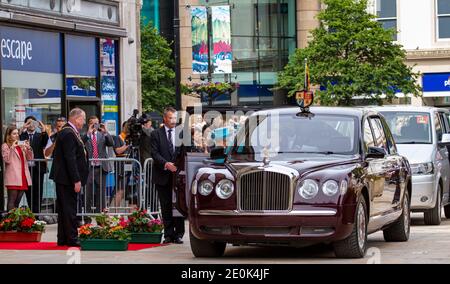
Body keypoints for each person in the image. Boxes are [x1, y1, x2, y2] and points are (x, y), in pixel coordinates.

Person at [51, 108, 89, 247]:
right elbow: (70, 158)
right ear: (76, 118)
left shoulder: (70, 131)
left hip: (65, 178)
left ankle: (63, 238)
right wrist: (76, 179)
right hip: (67, 179)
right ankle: (72, 238)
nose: (83, 122)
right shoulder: (68, 133)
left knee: (64, 209)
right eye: (83, 119)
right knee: (69, 209)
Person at [151, 107, 184, 244]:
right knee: (165, 206)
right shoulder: (156, 134)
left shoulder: (181, 133)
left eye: (175, 118)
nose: (173, 121)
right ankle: (169, 234)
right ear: (165, 118)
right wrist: (166, 164)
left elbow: (186, 151)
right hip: (162, 175)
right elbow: (154, 153)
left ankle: (179, 233)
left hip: (178, 176)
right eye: (171, 118)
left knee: (179, 205)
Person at [82, 116, 114, 213]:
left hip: (101, 167)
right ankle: (87, 215)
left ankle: (100, 214)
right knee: (87, 192)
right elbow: (80, 143)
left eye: (97, 123)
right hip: (89, 168)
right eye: (92, 123)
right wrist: (88, 132)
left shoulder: (102, 135)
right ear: (89, 124)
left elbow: (111, 143)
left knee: (101, 192)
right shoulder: (85, 135)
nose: (95, 125)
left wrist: (106, 132)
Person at [19, 116, 49, 213]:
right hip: (26, 168)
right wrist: (24, 127)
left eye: (33, 123)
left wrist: (43, 129)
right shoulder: (22, 135)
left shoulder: (40, 135)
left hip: (38, 168)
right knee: (28, 192)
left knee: (38, 192)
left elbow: (46, 142)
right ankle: (31, 212)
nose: (32, 125)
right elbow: (17, 139)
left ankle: (37, 214)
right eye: (29, 123)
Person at [2, 126, 33, 211]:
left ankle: (15, 221)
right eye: (14, 133)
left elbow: (30, 158)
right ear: (9, 135)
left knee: (17, 202)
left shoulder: (20, 145)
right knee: (11, 201)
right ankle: (9, 222)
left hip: (23, 176)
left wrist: (28, 148)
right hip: (13, 176)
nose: (16, 135)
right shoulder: (5, 146)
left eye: (17, 133)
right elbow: (7, 160)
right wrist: (12, 147)